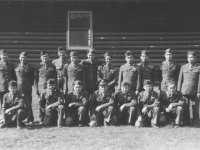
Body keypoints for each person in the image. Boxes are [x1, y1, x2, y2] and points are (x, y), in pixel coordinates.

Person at [177, 51, 200, 125]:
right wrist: (178, 90)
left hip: (194, 90)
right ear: (187, 58)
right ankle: (186, 121)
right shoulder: (183, 67)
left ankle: (195, 121)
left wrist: (199, 91)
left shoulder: (198, 67)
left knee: (195, 107)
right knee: (185, 106)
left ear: (195, 58)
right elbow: (180, 80)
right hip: (185, 90)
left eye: (192, 57)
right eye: (189, 57)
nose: (190, 59)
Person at [15, 51, 34, 124]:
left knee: (28, 103)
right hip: (19, 88)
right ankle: (18, 118)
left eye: (25, 58)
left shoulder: (30, 66)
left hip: (27, 88)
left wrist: (29, 84)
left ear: (27, 58)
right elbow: (15, 77)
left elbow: (32, 78)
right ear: (19, 58)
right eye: (22, 57)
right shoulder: (16, 66)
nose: (23, 59)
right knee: (19, 103)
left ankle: (30, 119)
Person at [0, 49, 16, 114]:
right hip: (1, 87)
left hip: (10, 87)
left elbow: (14, 76)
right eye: (3, 55)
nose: (4, 56)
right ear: (0, 55)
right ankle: (3, 117)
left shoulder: (11, 64)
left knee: (10, 102)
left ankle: (10, 117)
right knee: (3, 103)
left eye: (6, 55)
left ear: (8, 56)